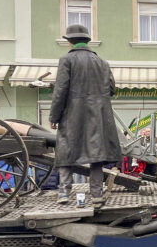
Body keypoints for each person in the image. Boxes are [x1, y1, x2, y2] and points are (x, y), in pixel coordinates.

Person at [49, 23, 122, 205]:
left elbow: (60, 91)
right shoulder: (103, 63)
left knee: (66, 151)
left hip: (72, 116)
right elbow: (112, 89)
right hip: (98, 117)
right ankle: (96, 194)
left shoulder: (66, 60)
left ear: (70, 42)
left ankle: (64, 193)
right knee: (96, 155)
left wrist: (54, 117)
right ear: (87, 40)